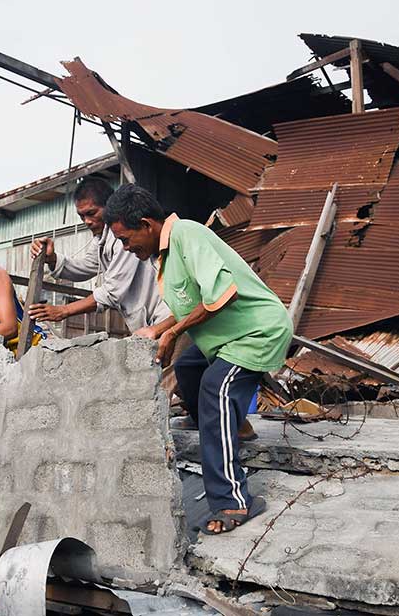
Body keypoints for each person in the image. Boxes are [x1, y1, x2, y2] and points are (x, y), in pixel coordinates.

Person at [103, 184, 292, 535]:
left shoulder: (187, 235)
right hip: (226, 337)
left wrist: (173, 333)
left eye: (126, 240)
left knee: (215, 389)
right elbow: (191, 305)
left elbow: (223, 295)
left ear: (146, 224)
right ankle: (235, 427)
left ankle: (233, 501)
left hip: (256, 333)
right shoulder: (166, 255)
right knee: (188, 368)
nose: (126, 248)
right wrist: (158, 329)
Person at [28, 177, 171, 334]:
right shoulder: (101, 238)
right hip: (149, 324)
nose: (87, 221)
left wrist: (64, 310)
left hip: (165, 318)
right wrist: (53, 259)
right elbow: (87, 266)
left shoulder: (125, 237)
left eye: (91, 213)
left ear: (109, 207)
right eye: (82, 216)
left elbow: (112, 290)